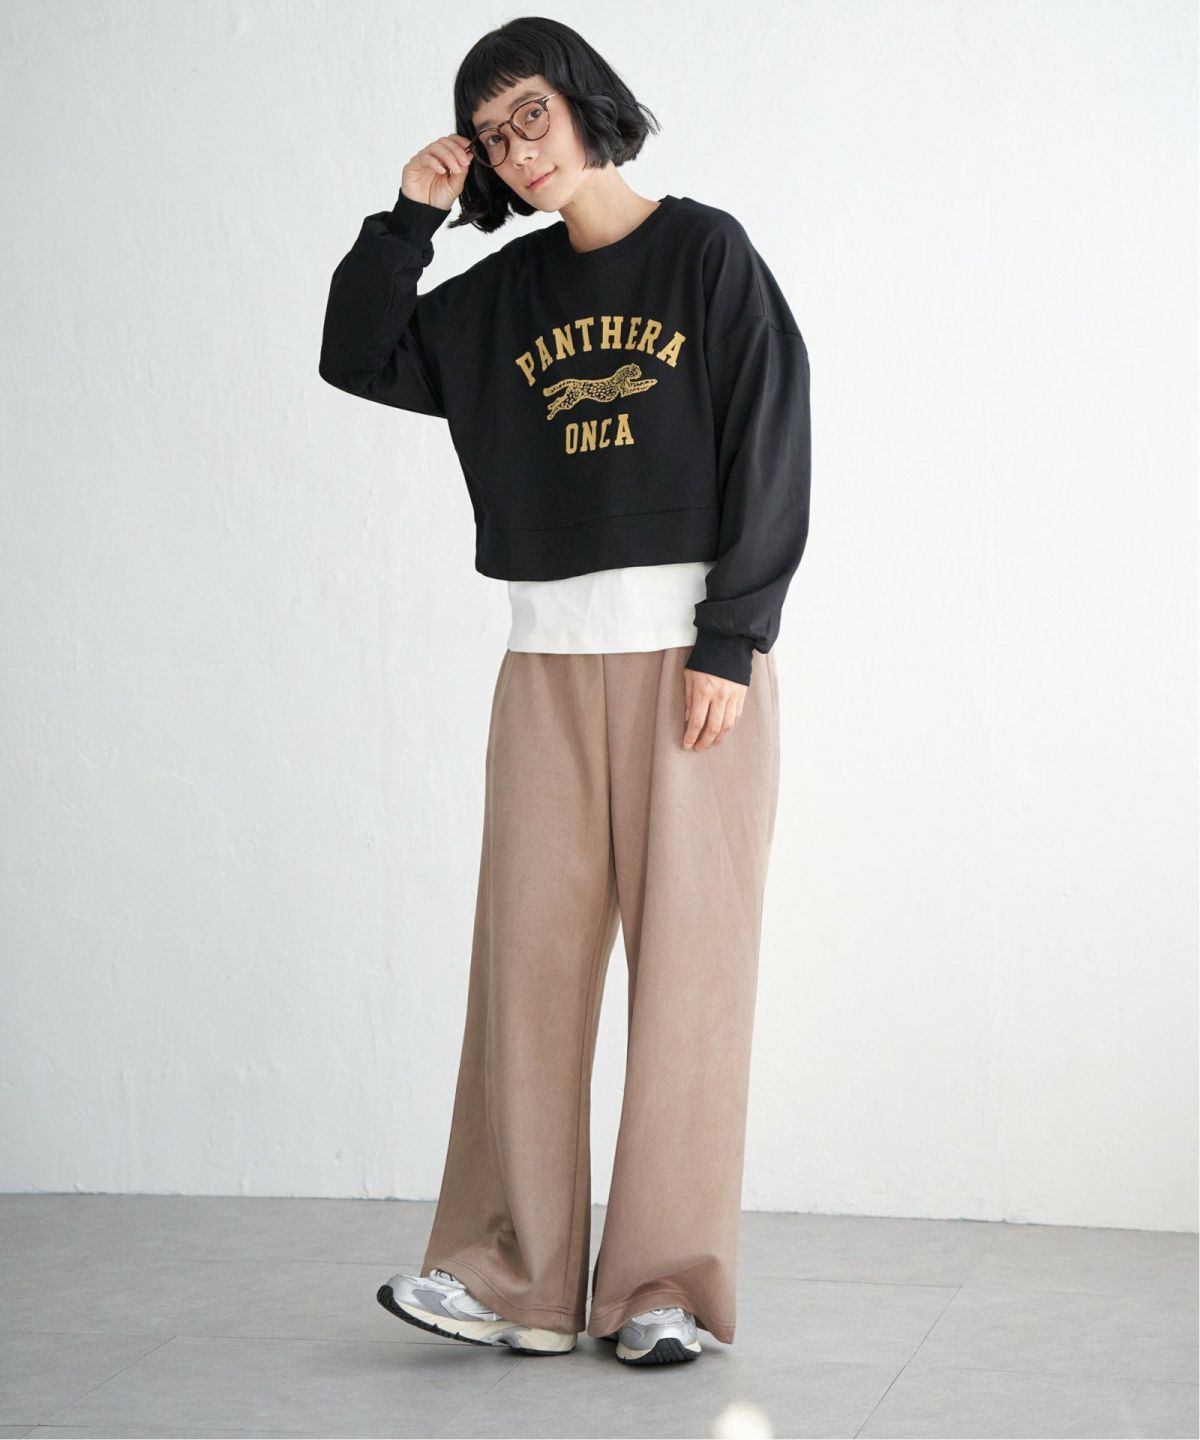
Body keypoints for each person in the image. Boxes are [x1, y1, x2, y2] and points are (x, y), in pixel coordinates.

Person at [319, 15, 811, 1367]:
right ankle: (516, 1281)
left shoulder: (706, 254)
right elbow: (358, 354)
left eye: (528, 113)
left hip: (691, 669)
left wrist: (733, 640)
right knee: (525, 977)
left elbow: (773, 435)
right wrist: (409, 220)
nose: (514, 149)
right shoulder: (502, 299)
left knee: (691, 980)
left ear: (586, 101)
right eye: (490, 134)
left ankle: (661, 1289)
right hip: (545, 664)